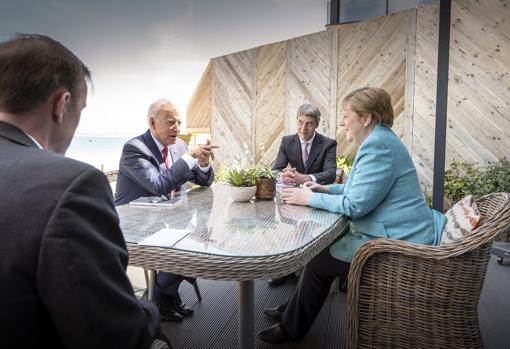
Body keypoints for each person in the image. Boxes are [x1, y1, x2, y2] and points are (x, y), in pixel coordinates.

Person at [0, 34, 160, 348]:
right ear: (62, 105)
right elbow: (113, 335)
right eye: (81, 110)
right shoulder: (69, 185)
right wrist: (149, 310)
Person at [258, 87, 447, 344]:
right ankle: (291, 310)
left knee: (318, 261)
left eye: (346, 115)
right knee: (319, 253)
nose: (342, 122)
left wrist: (309, 198)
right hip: (400, 228)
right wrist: (324, 188)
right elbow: (356, 188)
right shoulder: (380, 140)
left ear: (366, 118)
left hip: (397, 240)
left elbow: (356, 205)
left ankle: (290, 328)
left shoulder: (378, 146)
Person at [115, 99, 214, 322]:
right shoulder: (134, 149)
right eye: (171, 123)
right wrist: (190, 158)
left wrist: (204, 163)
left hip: (169, 218)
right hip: (135, 224)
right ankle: (162, 296)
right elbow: (159, 185)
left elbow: (204, 181)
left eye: (179, 122)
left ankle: (164, 294)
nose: (177, 128)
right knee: (186, 244)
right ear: (152, 122)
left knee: (200, 239)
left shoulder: (178, 146)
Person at [269, 103, 337, 286]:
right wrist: (283, 174)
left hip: (316, 196)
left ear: (316, 125)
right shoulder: (287, 141)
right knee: (289, 231)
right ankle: (288, 270)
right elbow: (275, 170)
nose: (303, 128)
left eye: (308, 124)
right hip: (290, 198)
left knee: (309, 235)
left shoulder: (328, 144)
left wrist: (304, 178)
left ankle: (302, 272)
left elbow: (330, 173)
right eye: (300, 122)